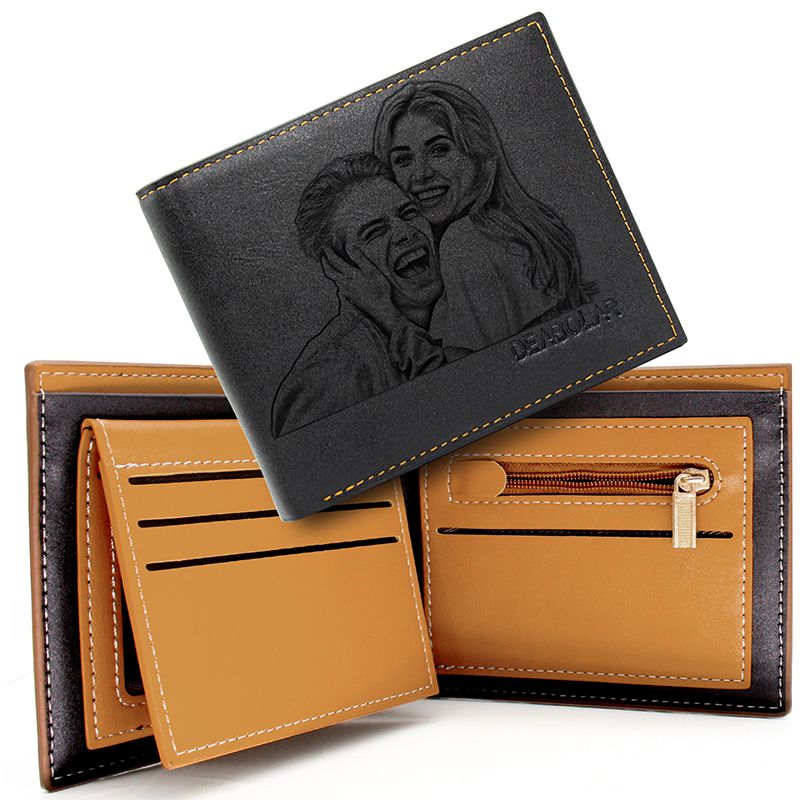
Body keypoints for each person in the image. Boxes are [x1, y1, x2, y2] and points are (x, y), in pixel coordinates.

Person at [373, 80, 596, 352]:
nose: (421, 174)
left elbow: (480, 372)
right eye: (403, 160)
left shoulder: (464, 242)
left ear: (477, 152)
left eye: (439, 150)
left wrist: (385, 316)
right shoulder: (518, 227)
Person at [272, 152, 454, 437]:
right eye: (374, 232)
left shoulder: (443, 331)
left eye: (408, 214)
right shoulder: (330, 373)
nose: (406, 233)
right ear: (339, 265)